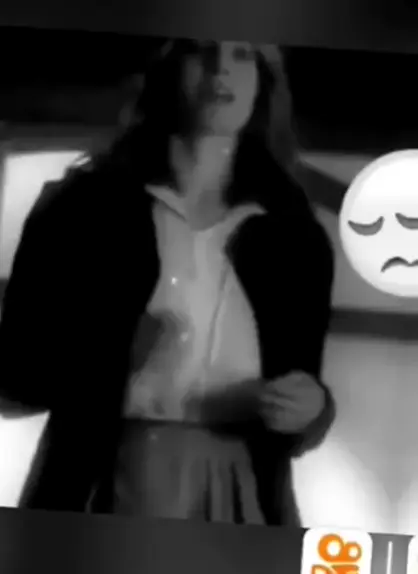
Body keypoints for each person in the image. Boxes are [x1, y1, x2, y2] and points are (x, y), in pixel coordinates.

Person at [0, 39, 335, 526]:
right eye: (202, 49)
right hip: (100, 481)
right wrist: (113, 354)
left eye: (242, 54)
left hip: (242, 492)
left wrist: (312, 410)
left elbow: (302, 394)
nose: (221, 68)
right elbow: (13, 381)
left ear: (262, 81)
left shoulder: (294, 236)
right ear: (166, 65)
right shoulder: (78, 209)